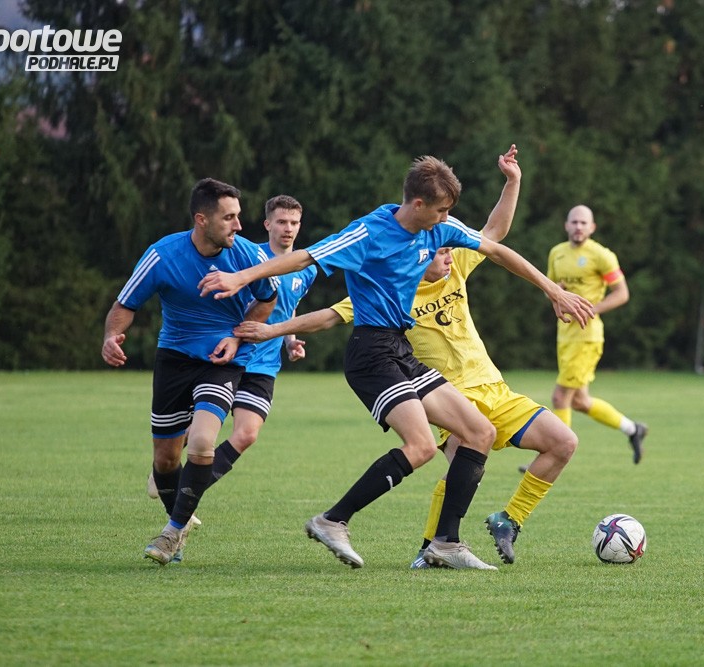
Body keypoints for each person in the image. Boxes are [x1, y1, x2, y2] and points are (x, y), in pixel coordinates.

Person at [199, 146, 594, 570]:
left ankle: (445, 543)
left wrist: (553, 290)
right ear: (418, 204)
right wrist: (243, 278)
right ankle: (333, 520)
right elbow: (305, 256)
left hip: (400, 351)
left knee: (479, 432)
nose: (446, 220)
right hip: (371, 354)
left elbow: (496, 247)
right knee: (422, 446)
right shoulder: (369, 233)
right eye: (441, 211)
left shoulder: (438, 230)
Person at [102, 178, 279, 565]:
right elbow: (125, 304)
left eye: (238, 216)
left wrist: (237, 337)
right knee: (166, 460)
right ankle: (178, 526)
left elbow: (268, 299)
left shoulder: (248, 255)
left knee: (200, 442)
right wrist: (111, 336)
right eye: (229, 218)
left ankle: (170, 533)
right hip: (174, 360)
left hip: (221, 360)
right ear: (202, 219)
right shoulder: (163, 255)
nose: (238, 225)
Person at [541, 204, 648, 467]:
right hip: (565, 335)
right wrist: (556, 291)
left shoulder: (601, 255)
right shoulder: (556, 253)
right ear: (566, 225)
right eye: (574, 222)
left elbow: (622, 293)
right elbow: (548, 289)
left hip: (586, 337)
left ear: (592, 227)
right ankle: (633, 429)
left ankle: (556, 456)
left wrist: (592, 310)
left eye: (583, 223)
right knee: (579, 401)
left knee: (560, 397)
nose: (578, 227)